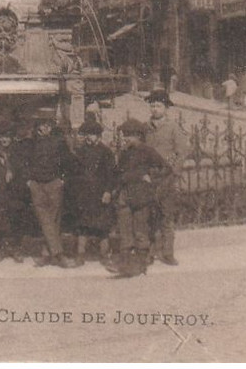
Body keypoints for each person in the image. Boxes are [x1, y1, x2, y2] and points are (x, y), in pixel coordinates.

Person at [105, 118, 171, 278]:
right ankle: (124, 264)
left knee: (140, 231)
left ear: (139, 136)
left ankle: (141, 263)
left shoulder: (148, 151)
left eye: (129, 135)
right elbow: (116, 173)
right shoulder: (124, 153)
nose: (126, 138)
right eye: (125, 135)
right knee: (125, 231)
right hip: (124, 195)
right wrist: (110, 190)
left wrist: (150, 177)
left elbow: (165, 169)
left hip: (141, 196)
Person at [144, 88, 192, 265]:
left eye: (158, 106)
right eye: (152, 106)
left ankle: (167, 253)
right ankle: (149, 252)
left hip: (168, 178)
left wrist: (174, 172)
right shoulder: (146, 128)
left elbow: (182, 152)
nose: (155, 109)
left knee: (166, 217)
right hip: (150, 178)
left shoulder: (173, 127)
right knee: (150, 216)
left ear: (166, 108)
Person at [65, 112, 117, 265]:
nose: (89, 137)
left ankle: (104, 255)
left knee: (103, 227)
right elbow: (73, 173)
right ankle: (80, 254)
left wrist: (108, 191)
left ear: (99, 136)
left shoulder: (106, 153)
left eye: (92, 134)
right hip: (84, 194)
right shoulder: (80, 152)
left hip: (100, 193)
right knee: (82, 226)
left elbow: (111, 175)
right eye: (86, 134)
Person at [25, 113, 74, 268]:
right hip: (37, 184)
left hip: (54, 183)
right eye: (42, 124)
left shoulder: (59, 142)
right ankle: (59, 255)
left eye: (48, 124)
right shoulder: (30, 143)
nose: (45, 127)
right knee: (45, 219)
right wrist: (29, 181)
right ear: (37, 126)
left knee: (53, 219)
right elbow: (23, 162)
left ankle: (46, 254)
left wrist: (62, 179)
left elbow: (69, 161)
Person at [0, 123, 26, 263]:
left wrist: (13, 174)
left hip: (15, 191)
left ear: (12, 138)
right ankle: (0, 250)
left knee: (16, 219)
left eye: (7, 137)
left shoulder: (18, 151)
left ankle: (16, 249)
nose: (4, 140)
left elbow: (23, 170)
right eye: (2, 137)